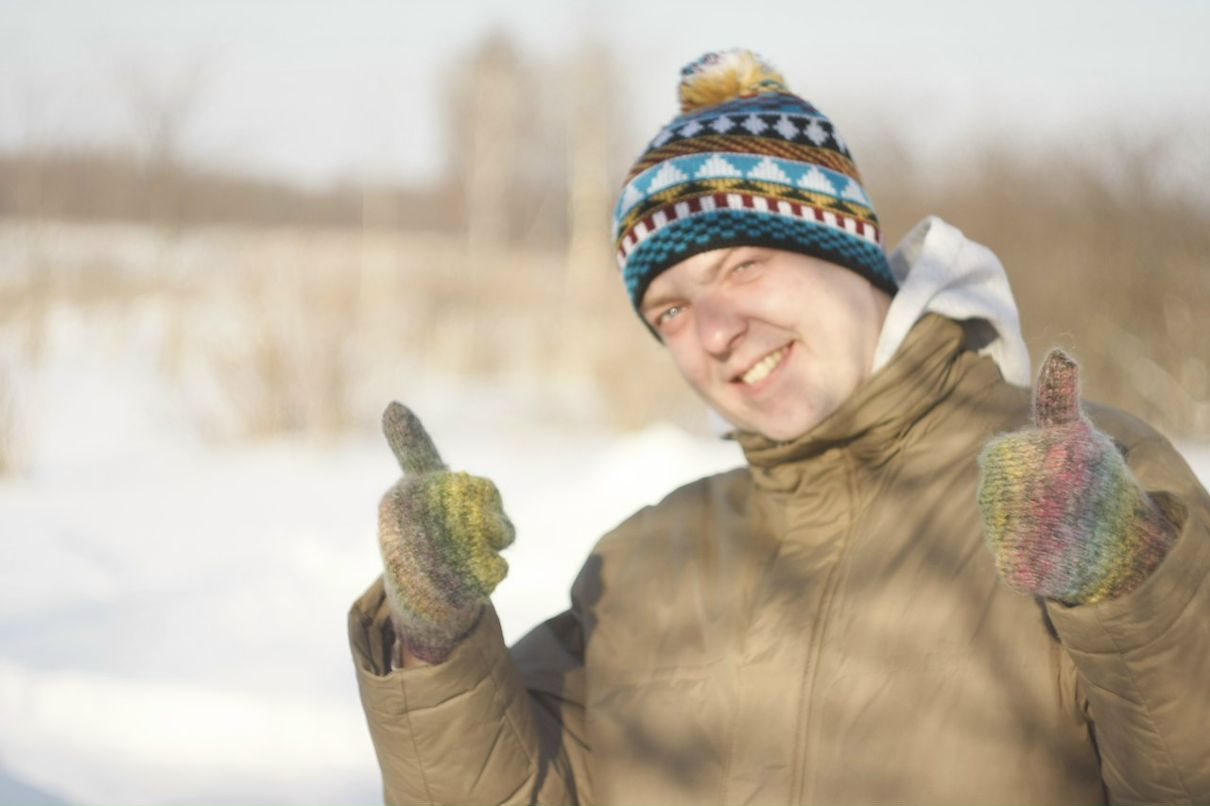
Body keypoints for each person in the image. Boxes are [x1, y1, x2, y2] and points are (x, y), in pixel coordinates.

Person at [348, 50, 1210, 805]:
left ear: (849, 256)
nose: (715, 332)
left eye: (745, 265)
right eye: (671, 309)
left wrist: (1129, 590)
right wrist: (435, 643)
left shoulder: (1078, 479)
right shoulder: (644, 561)